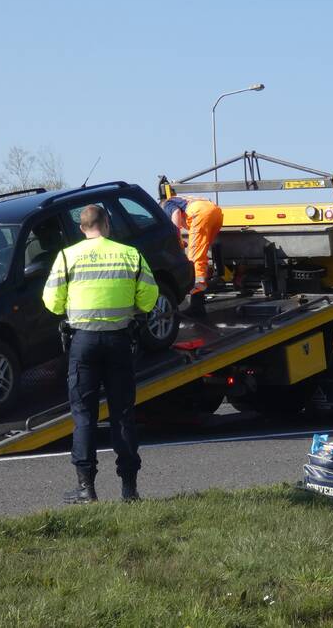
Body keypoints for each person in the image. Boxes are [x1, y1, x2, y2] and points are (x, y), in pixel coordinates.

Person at [42, 204, 159, 503]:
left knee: (83, 417)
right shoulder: (129, 254)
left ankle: (86, 489)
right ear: (107, 224)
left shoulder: (67, 256)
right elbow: (148, 299)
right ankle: (129, 490)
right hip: (119, 341)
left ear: (82, 228)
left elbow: (52, 303)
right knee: (122, 415)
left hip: (83, 343)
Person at [160, 195, 224, 317]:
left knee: (194, 261)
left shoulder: (166, 204)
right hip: (215, 212)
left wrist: (176, 238)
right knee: (201, 257)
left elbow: (176, 213)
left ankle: (197, 304)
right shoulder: (182, 199)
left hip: (200, 213)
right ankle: (199, 300)